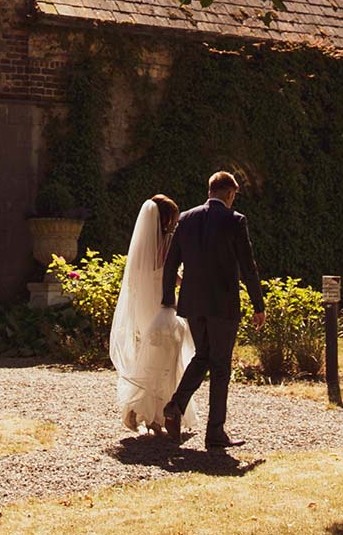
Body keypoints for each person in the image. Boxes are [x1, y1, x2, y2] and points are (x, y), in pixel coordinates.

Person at [160, 170, 266, 449]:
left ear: (210, 191)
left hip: (193, 302)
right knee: (220, 365)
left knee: (203, 355)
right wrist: (259, 305)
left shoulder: (186, 219)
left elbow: (172, 263)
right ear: (230, 194)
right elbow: (248, 266)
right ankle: (215, 432)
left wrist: (168, 296)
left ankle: (175, 406)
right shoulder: (235, 221)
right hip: (223, 303)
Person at [110, 193, 194, 434]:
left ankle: (140, 410)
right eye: (174, 219)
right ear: (167, 219)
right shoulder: (168, 242)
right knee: (166, 359)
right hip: (163, 306)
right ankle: (153, 416)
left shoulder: (142, 245)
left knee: (150, 356)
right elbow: (171, 276)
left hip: (146, 305)